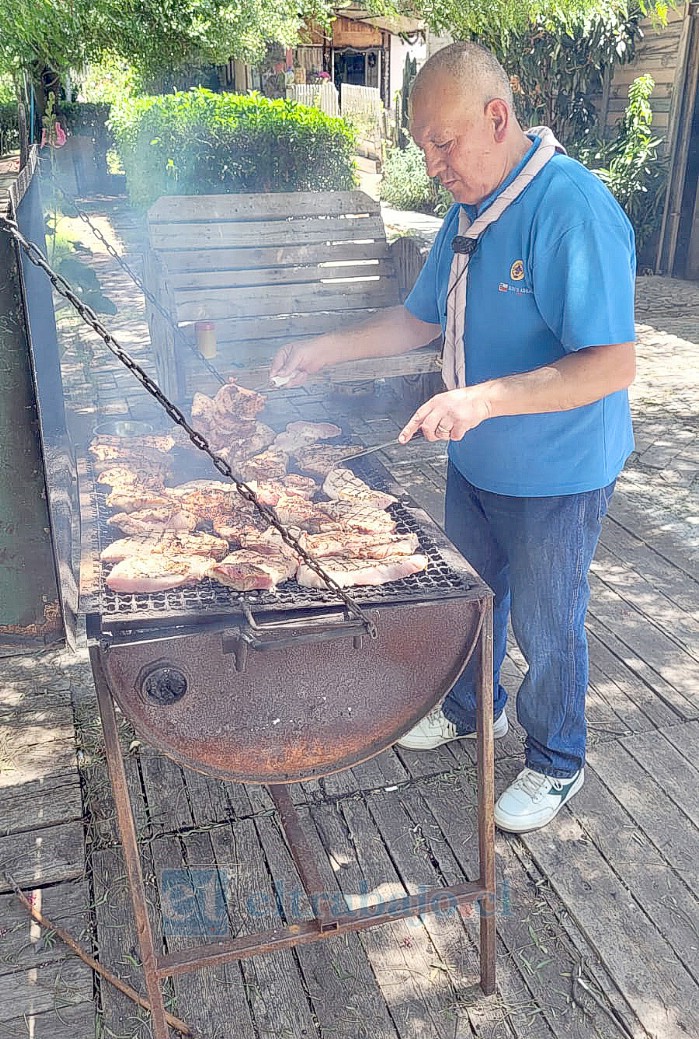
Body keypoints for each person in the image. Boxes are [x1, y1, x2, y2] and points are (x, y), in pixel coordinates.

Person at [270, 41, 636, 834]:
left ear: (495, 118)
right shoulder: (466, 214)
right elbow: (416, 319)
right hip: (476, 458)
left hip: (557, 470)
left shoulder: (569, 207)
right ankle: (475, 707)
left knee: (548, 622)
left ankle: (555, 759)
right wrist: (323, 348)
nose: (432, 165)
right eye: (421, 148)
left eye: (442, 143)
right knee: (472, 600)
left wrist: (482, 399)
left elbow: (610, 363)